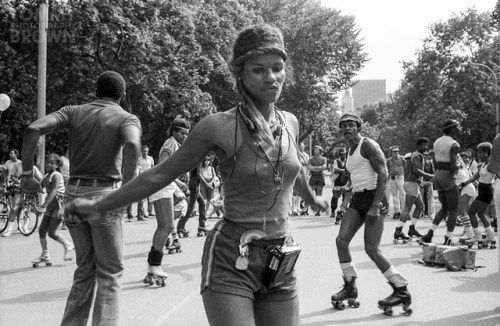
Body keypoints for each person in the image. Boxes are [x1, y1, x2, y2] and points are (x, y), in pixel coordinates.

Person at [67, 24, 327, 326]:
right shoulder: (218, 126)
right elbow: (158, 175)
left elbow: (292, 170)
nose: (271, 77)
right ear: (240, 74)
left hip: (279, 255)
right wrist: (100, 205)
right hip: (233, 256)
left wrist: (312, 198)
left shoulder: (290, 123)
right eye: (259, 70)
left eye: (277, 68)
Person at [21, 71, 142, 326]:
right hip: (103, 196)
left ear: (95, 92)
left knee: (84, 271)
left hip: (73, 195)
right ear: (121, 95)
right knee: (109, 274)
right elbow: (132, 146)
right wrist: (127, 191)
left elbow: (33, 129)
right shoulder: (125, 117)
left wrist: (26, 173)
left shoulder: (73, 111)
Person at [331, 113, 412, 314]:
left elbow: (383, 173)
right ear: (340, 130)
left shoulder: (368, 145)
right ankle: (350, 287)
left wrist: (376, 204)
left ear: (358, 127)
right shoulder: (349, 151)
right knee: (341, 241)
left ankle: (400, 288)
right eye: (344, 126)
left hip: (374, 199)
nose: (347, 129)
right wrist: (345, 188)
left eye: (351, 125)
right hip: (358, 199)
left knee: (372, 249)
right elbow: (357, 177)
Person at [146, 117, 190, 282]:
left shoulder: (174, 144)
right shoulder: (170, 143)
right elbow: (163, 165)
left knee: (164, 226)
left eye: (187, 134)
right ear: (174, 131)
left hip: (167, 186)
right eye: (183, 133)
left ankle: (153, 266)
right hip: (163, 186)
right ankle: (155, 265)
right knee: (168, 226)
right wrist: (178, 180)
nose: (185, 136)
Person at [421, 119, 461, 245]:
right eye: (458, 126)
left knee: (444, 207)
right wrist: (459, 166)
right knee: (454, 209)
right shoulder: (454, 144)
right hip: (447, 175)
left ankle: (430, 233)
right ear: (452, 128)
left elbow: (436, 160)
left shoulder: (437, 142)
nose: (460, 128)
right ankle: (448, 238)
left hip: (437, 175)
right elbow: (453, 166)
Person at [32, 153, 74, 266]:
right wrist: (37, 185)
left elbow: (54, 191)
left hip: (59, 206)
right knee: (41, 230)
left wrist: (43, 205)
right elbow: (41, 188)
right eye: (48, 162)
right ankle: (45, 255)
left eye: (52, 163)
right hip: (51, 206)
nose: (49, 165)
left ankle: (68, 245)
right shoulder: (46, 176)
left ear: (56, 165)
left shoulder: (56, 175)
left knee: (51, 232)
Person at [393, 137, 433, 242]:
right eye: (424, 145)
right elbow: (416, 170)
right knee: (407, 208)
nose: (426, 147)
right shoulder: (418, 156)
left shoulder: (415, 155)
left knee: (420, 206)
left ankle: (412, 229)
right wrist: (430, 175)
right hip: (412, 183)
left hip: (413, 183)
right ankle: (398, 230)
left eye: (427, 145)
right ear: (418, 145)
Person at [460, 142, 496, 245]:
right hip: (483, 191)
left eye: (480, 152)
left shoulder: (491, 166)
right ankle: (491, 236)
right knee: (481, 214)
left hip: (486, 191)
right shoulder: (482, 165)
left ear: (487, 152)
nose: (478, 154)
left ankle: (477, 236)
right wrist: (464, 183)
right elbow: (474, 177)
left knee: (471, 212)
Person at [176, 165, 208, 237]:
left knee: (202, 203)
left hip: (193, 183)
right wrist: (207, 184)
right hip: (195, 183)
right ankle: (181, 226)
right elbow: (199, 174)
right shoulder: (199, 159)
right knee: (191, 207)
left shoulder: (195, 158)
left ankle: (202, 226)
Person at [456, 151, 477, 240]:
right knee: (466, 212)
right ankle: (471, 232)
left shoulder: (456, 165)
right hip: (469, 188)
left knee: (462, 211)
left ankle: (470, 234)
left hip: (466, 188)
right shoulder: (464, 166)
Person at [2, 149, 23, 237]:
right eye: (9, 153)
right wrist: (4, 181)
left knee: (16, 206)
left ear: (16, 154)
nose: (10, 154)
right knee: (11, 205)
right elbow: (5, 173)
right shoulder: (7, 162)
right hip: (9, 183)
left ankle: (19, 223)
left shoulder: (20, 163)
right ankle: (6, 209)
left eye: (11, 153)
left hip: (17, 184)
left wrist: (18, 182)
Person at [330, 146, 351, 223]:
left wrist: (342, 171)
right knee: (335, 196)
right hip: (338, 180)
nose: (343, 155)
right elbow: (335, 169)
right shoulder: (336, 161)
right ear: (339, 154)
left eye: (344, 154)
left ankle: (342, 212)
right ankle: (333, 211)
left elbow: (349, 169)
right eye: (341, 154)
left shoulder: (348, 160)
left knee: (345, 196)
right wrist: (345, 171)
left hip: (346, 180)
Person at [386, 146, 405, 219]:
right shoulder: (389, 160)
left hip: (400, 177)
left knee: (403, 194)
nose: (396, 152)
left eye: (397, 151)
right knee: (394, 195)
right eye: (394, 151)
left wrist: (405, 178)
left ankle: (404, 211)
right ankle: (397, 211)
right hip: (392, 178)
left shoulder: (402, 158)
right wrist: (388, 180)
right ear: (391, 152)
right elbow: (387, 169)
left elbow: (405, 168)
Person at [137, 145, 155, 218]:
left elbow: (153, 167)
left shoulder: (150, 158)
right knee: (142, 197)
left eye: (146, 151)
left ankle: (150, 211)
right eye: (144, 151)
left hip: (150, 178)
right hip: (142, 179)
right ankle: (141, 213)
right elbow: (137, 169)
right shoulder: (138, 159)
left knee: (150, 196)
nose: (145, 152)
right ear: (141, 151)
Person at [308, 145, 328, 215]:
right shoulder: (311, 159)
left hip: (320, 177)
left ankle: (318, 210)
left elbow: (324, 167)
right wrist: (318, 168)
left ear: (320, 151)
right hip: (313, 177)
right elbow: (310, 167)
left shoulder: (323, 159)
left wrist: (315, 168)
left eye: (317, 150)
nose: (315, 151)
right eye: (314, 149)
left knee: (319, 194)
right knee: (310, 193)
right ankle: (306, 208)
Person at [420, 150, 435, 219]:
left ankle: (431, 213)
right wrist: (420, 182)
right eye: (424, 155)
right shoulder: (419, 163)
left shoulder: (430, 163)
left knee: (430, 198)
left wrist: (431, 180)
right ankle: (421, 213)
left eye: (426, 155)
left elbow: (433, 172)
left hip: (428, 181)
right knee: (421, 198)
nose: (425, 156)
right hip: (421, 182)